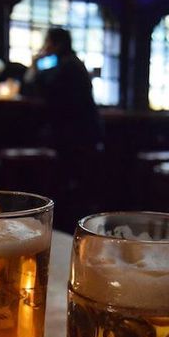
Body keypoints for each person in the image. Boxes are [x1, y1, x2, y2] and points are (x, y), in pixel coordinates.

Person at [22, 27, 104, 229]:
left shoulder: (68, 67)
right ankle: (62, 216)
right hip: (82, 133)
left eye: (48, 42)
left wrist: (35, 63)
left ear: (57, 44)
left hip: (77, 136)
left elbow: (36, 84)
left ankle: (59, 221)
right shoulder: (70, 64)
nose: (45, 47)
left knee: (66, 179)